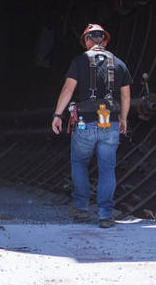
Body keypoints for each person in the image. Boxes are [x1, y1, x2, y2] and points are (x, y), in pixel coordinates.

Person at [50, 23, 131, 228]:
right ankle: (105, 215)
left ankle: (81, 209)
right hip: (110, 123)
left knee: (79, 163)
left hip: (85, 123)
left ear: (87, 41)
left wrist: (58, 114)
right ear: (104, 40)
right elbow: (126, 95)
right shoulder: (119, 63)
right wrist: (123, 119)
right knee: (107, 169)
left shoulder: (79, 61)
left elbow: (68, 89)